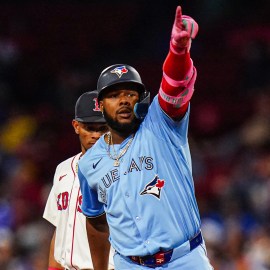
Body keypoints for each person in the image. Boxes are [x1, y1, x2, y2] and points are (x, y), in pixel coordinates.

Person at [78, 5, 214, 270]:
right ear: (101, 104)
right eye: (115, 95)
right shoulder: (88, 163)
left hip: (184, 259)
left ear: (140, 99)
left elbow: (175, 84)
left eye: (130, 93)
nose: (124, 101)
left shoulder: (161, 125)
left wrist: (178, 50)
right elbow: (95, 220)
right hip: (130, 264)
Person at [43, 90, 114, 270]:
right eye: (90, 127)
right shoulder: (63, 170)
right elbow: (59, 229)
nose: (96, 135)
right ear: (76, 126)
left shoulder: (123, 171)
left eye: (103, 128)